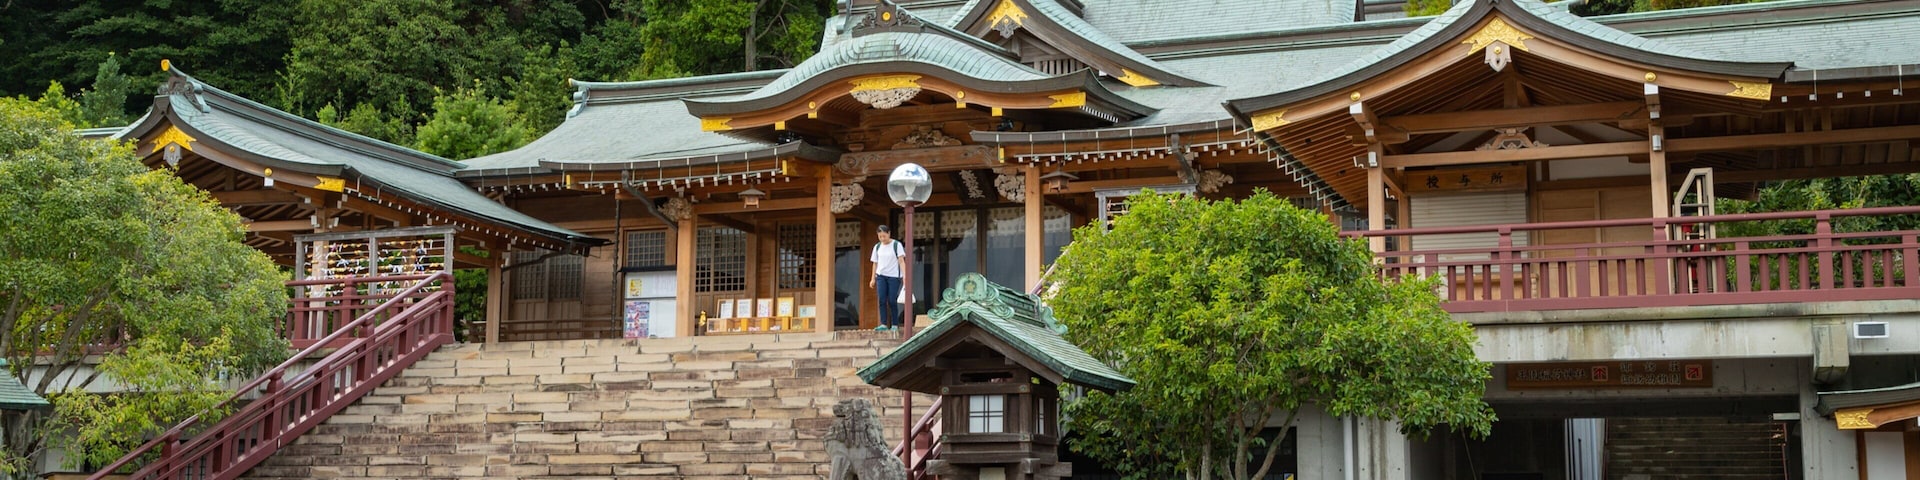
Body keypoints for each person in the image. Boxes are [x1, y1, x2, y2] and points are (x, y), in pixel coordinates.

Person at [869, 224, 905, 331]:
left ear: (889, 233)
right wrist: (873, 278)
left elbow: (901, 261)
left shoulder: (896, 245)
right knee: (882, 299)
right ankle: (883, 324)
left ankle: (894, 324)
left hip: (894, 276)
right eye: (880, 237)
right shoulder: (877, 247)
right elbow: (875, 263)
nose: (882, 239)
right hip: (881, 276)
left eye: (884, 236)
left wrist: (905, 276)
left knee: (892, 300)